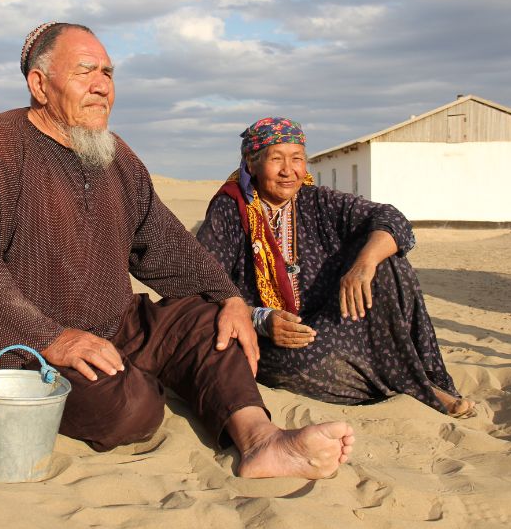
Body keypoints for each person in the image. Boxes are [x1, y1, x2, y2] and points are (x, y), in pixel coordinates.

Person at [0, 23, 354, 479]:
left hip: (116, 323)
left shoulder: (117, 155)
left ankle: (261, 440)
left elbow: (164, 242)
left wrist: (229, 297)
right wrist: (51, 338)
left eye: (108, 74)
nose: (101, 86)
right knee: (133, 410)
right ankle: (151, 384)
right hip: (29, 346)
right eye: (84, 72)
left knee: (213, 323)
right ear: (39, 84)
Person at [197, 117, 475, 417]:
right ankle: (409, 389)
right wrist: (261, 320)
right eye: (276, 159)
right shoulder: (229, 208)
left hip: (329, 318)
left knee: (389, 260)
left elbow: (393, 219)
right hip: (271, 334)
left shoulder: (317, 200)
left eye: (297, 159)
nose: (288, 170)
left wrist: (364, 264)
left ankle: (417, 386)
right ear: (252, 164)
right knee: (297, 365)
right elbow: (206, 284)